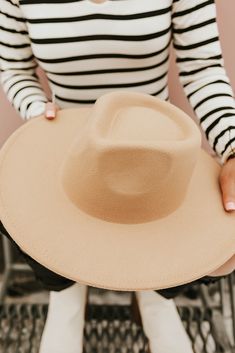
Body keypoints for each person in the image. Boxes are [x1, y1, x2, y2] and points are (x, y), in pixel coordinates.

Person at [0, 0, 235, 352]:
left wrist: (233, 146)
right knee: (26, 214)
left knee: (183, 222)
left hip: (154, 157)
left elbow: (202, 67)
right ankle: (66, 294)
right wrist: (37, 111)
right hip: (66, 153)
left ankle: (155, 294)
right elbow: (14, 67)